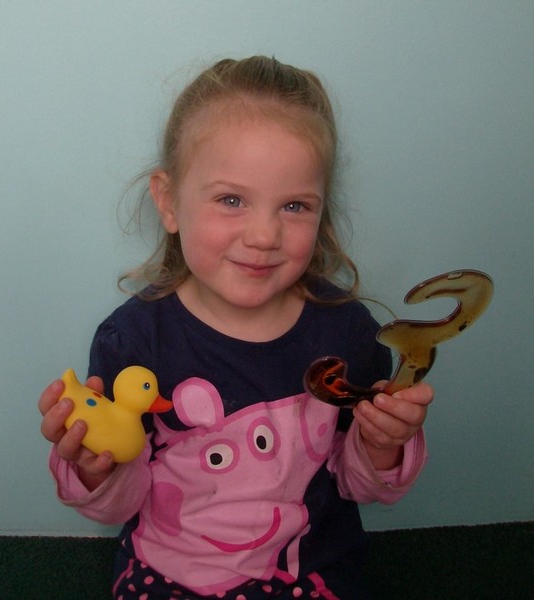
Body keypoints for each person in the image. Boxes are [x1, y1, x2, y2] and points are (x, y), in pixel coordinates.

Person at [39, 56, 432, 599]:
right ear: (168, 201)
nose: (264, 235)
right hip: (170, 573)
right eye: (231, 200)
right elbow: (121, 504)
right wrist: (94, 468)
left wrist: (383, 445)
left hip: (305, 574)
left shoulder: (349, 335)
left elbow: (358, 485)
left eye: (294, 205)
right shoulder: (133, 341)